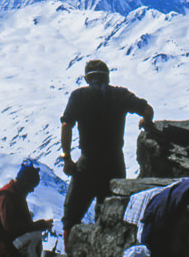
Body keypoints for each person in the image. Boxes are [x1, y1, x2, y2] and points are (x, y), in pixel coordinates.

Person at [60, 59, 154, 237]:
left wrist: (67, 158)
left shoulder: (78, 96)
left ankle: (70, 248)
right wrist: (145, 121)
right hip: (114, 164)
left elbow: (66, 125)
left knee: (71, 217)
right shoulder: (120, 94)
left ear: (87, 79)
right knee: (110, 217)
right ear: (107, 78)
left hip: (88, 163)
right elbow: (147, 110)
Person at [0, 161, 52, 257]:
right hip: (4, 250)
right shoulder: (6, 196)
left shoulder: (17, 195)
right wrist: (38, 225)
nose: (32, 190)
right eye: (31, 186)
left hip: (14, 247)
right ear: (24, 183)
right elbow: (10, 227)